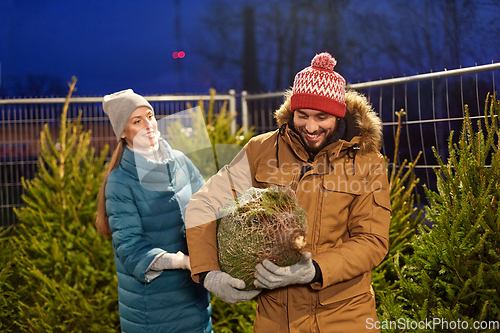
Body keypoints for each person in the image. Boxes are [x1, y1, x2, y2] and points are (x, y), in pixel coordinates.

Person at [185, 53, 391, 332]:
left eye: (322, 117)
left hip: (343, 317)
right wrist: (209, 273)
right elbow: (204, 203)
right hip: (275, 319)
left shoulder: (367, 163)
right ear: (291, 111)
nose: (311, 127)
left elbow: (372, 240)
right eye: (302, 115)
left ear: (338, 115)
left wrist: (315, 269)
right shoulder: (261, 150)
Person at [95, 89, 212, 333]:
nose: (148, 125)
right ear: (123, 133)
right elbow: (131, 250)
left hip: (194, 299)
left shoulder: (180, 160)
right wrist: (183, 261)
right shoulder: (121, 181)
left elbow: (208, 206)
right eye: (137, 121)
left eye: (150, 116)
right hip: (153, 310)